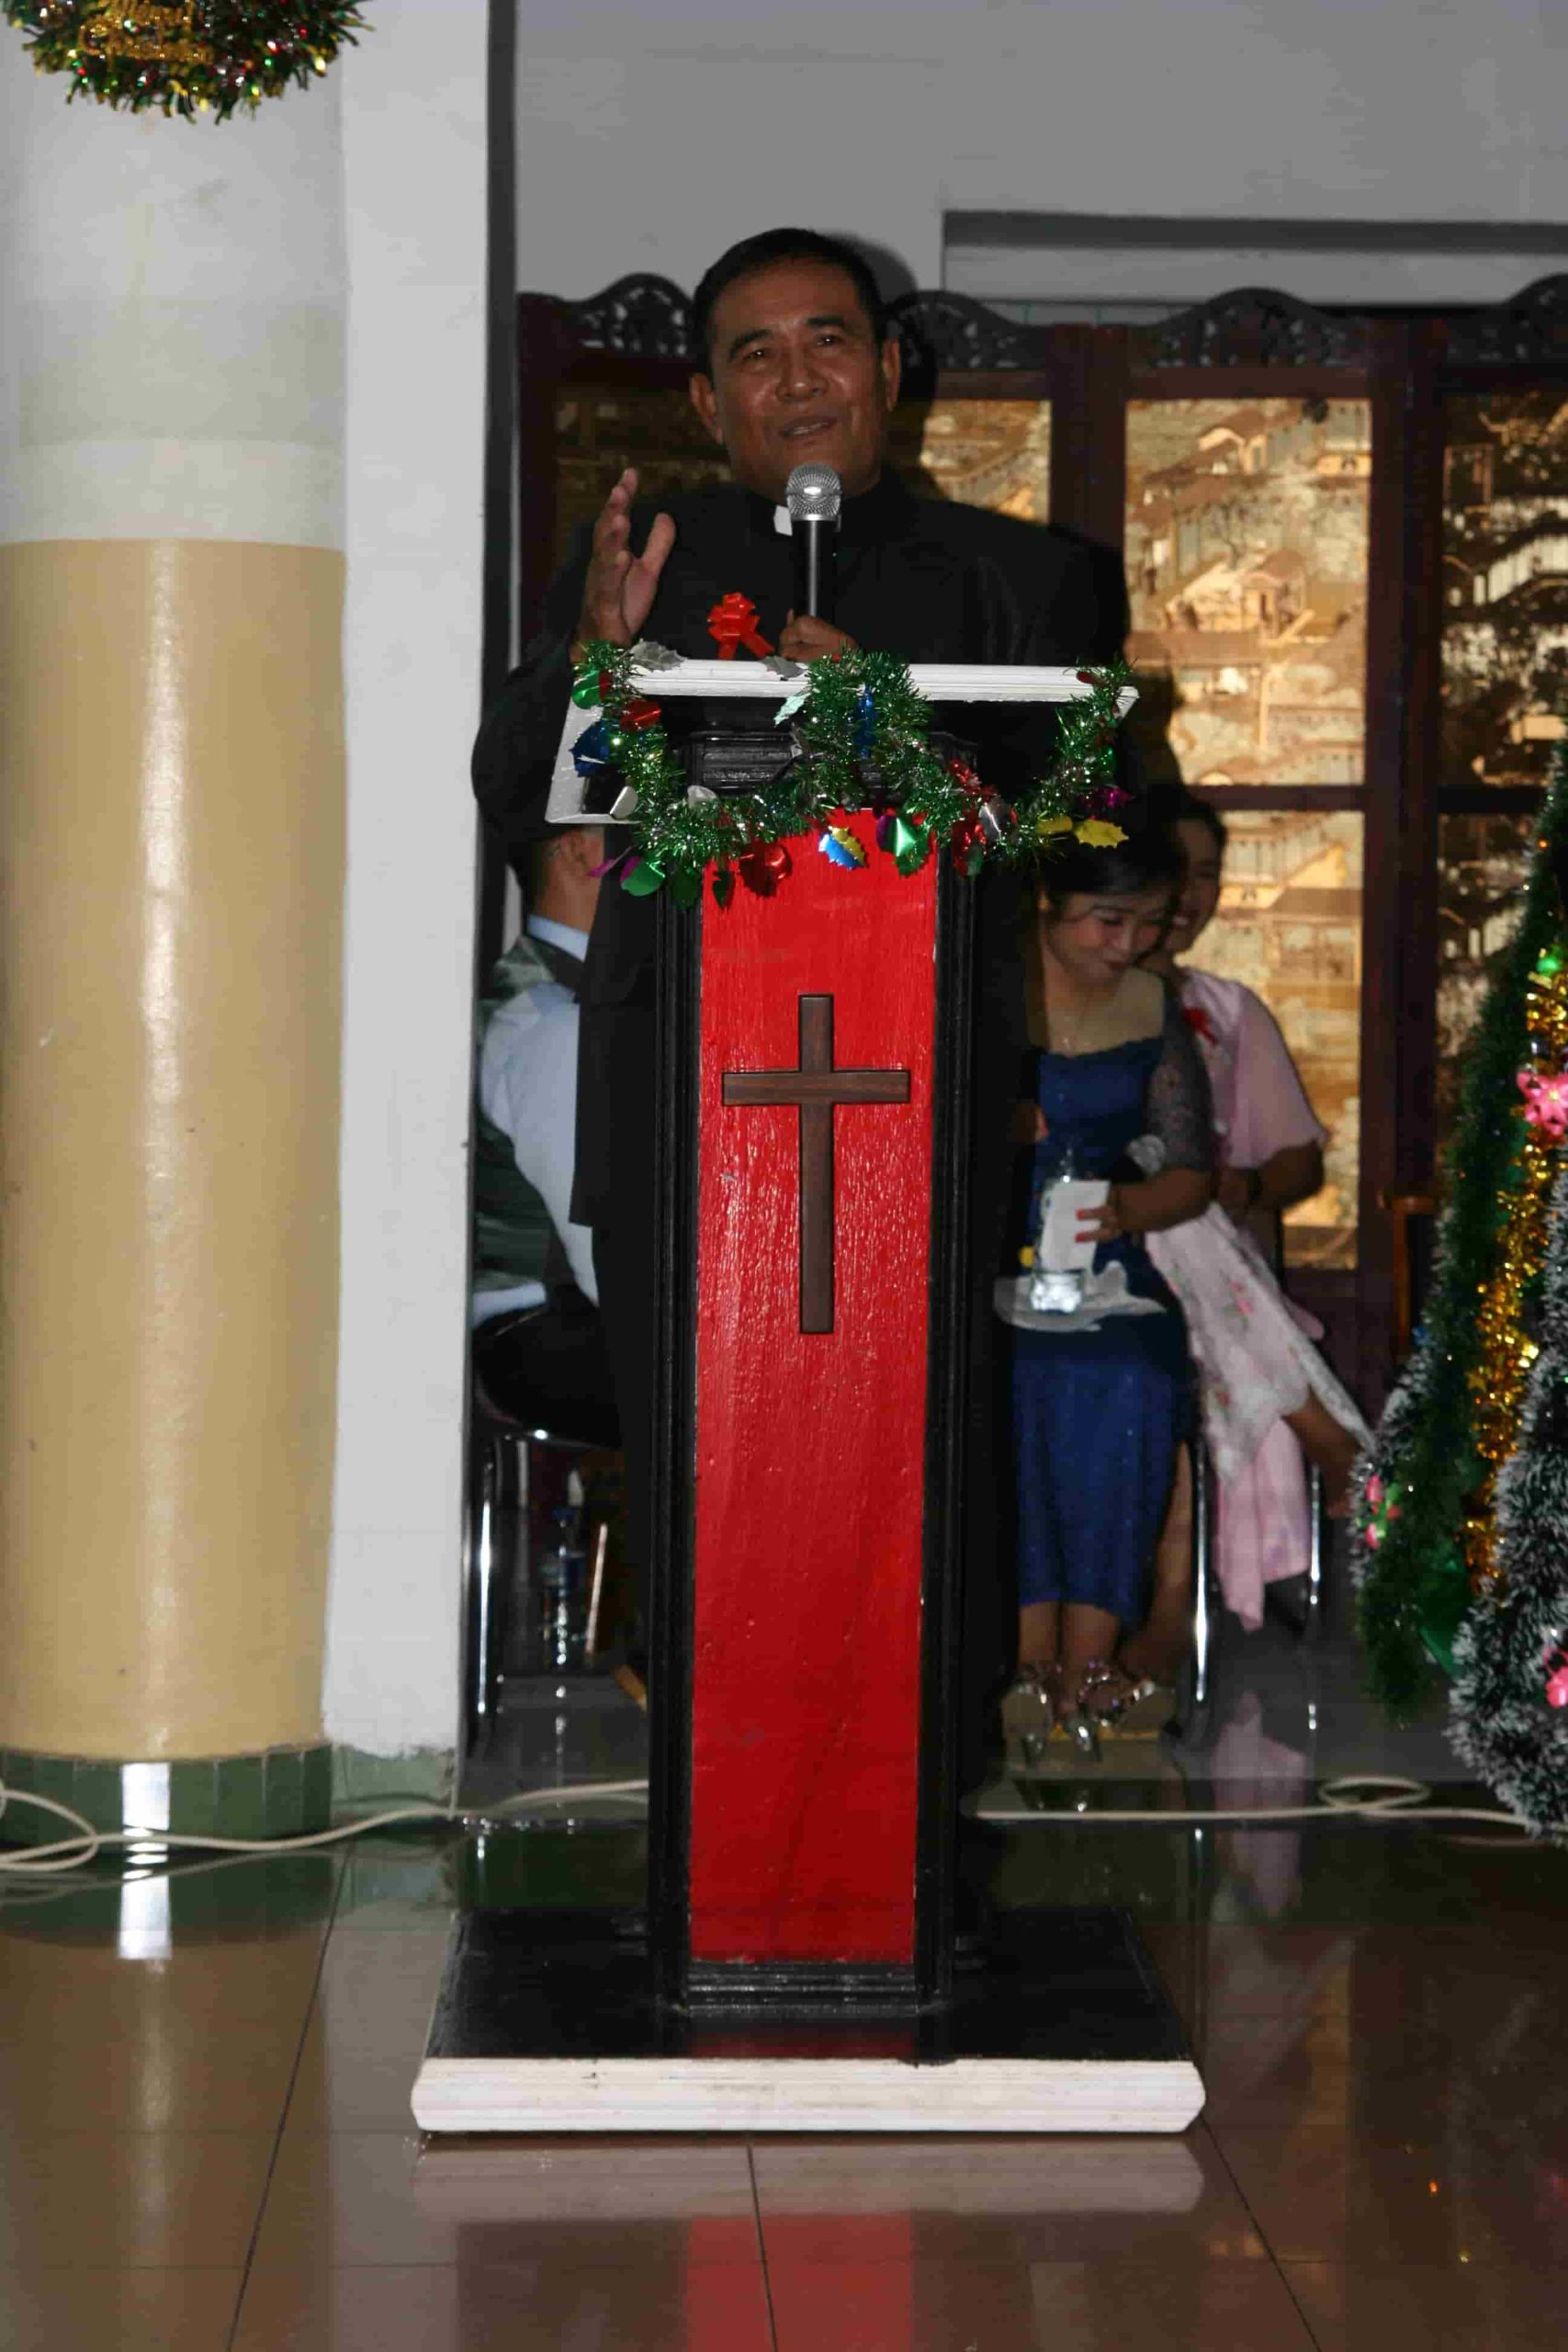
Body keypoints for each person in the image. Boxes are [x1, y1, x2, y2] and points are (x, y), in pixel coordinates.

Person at [471, 225, 1126, 1698]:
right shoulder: (642, 564)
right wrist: (591, 655)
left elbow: (1073, 809)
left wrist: (882, 723)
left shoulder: (1017, 578)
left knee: (907, 1450)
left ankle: (914, 1779)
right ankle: (710, 1774)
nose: (796, 377)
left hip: (914, 1084)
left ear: (888, 367)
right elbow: (518, 789)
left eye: (826, 339)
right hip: (675, 1081)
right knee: (703, 1441)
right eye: (752, 354)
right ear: (707, 402)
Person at [1003, 829, 1214, 1763]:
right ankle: (1021, 1661)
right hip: (987, 1265)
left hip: (1103, 1269)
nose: (1127, 945)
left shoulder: (1152, 1006)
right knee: (1009, 1378)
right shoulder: (991, 987)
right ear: (1048, 903)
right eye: (1107, 920)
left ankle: (1089, 1660)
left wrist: (1124, 1208)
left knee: (1130, 1373)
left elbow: (1193, 1172)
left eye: (1147, 924)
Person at [1143, 789, 1364, 1631]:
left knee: (1192, 1220)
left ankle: (1181, 1610)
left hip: (1216, 1258)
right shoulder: (1074, 994)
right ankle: (1325, 1431)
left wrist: (1246, 1187)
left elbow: (1298, 1159)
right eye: (1172, 870)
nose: (1187, 894)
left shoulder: (1228, 1009)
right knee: (1175, 1212)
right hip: (1109, 1246)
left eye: (1205, 874)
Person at [471, 824, 618, 1449]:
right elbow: (611, 1268)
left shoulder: (557, 1001)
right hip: (542, 1336)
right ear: (584, 848)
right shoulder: (552, 1022)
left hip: (559, 1331)